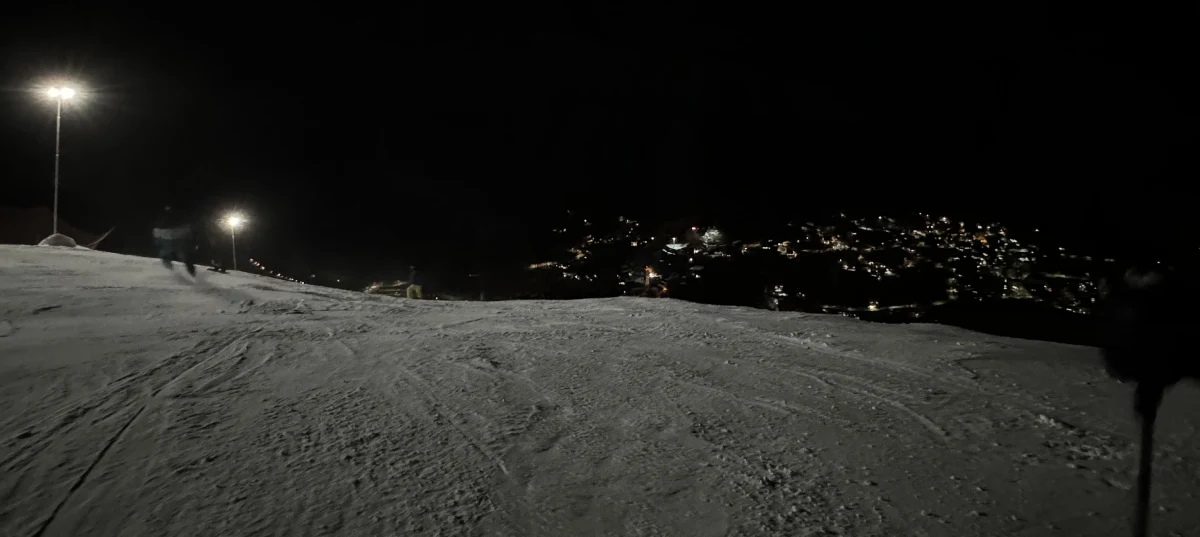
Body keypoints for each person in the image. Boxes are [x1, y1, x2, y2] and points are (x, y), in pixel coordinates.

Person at [152, 205, 196, 276]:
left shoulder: (175, 218)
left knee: (183, 257)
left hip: (174, 237)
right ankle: (175, 273)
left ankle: (177, 273)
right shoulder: (164, 220)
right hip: (171, 237)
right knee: (184, 258)